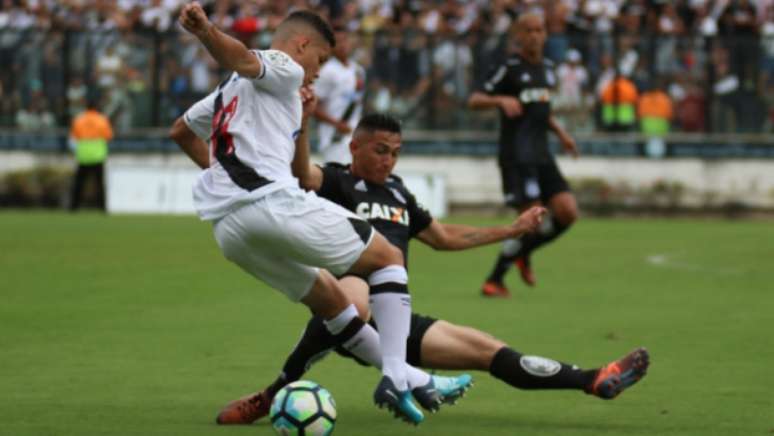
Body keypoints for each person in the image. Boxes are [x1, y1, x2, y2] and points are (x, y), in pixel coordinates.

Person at [213, 112, 650, 425]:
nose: (389, 161)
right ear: (355, 147)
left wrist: (510, 230)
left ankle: (593, 379)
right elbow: (301, 173)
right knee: (351, 296)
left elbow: (443, 238)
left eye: (396, 153)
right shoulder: (335, 180)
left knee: (488, 350)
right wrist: (304, 122)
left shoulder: (400, 194)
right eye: (380, 151)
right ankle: (272, 395)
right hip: (351, 300)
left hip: (396, 316)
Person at [171, 3, 451, 424]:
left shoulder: (231, 90)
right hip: (269, 204)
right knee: (388, 259)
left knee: (332, 300)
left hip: (229, 230)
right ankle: (396, 374)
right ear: (301, 45)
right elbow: (244, 57)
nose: (317, 72)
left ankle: (411, 376)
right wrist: (206, 31)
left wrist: (224, 177)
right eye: (319, 60)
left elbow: (181, 130)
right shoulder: (284, 66)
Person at [467, 13, 580, 297]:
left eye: (539, 30)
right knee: (531, 222)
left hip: (542, 154)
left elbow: (542, 109)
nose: (534, 35)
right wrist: (500, 99)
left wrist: (562, 134)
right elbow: (474, 99)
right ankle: (494, 279)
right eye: (528, 30)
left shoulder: (549, 68)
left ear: (545, 35)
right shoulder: (508, 67)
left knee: (567, 212)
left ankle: (522, 254)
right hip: (516, 155)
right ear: (518, 34)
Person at [312, 25, 366, 164]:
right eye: (338, 41)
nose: (343, 45)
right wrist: (337, 124)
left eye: (345, 40)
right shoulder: (327, 72)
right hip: (334, 137)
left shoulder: (358, 70)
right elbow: (313, 107)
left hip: (355, 135)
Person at [69, 96, 113, 211]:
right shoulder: (102, 119)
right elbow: (108, 136)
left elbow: (74, 137)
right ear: (97, 107)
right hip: (98, 155)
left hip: (83, 155)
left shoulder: (79, 119)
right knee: (99, 184)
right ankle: (102, 208)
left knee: (79, 184)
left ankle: (74, 207)